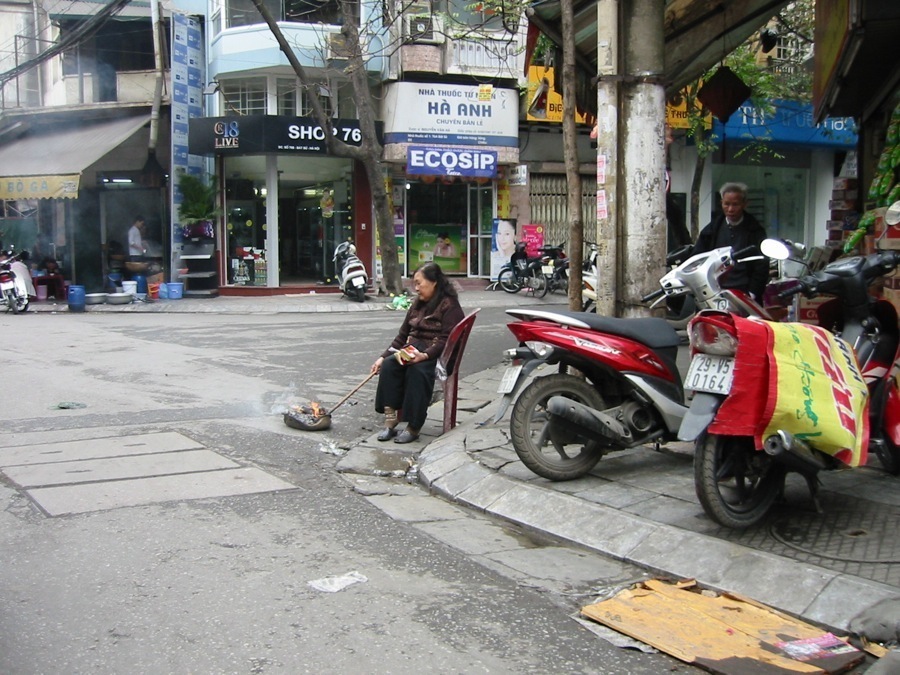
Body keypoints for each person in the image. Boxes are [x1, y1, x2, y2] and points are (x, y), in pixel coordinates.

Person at [370, 262, 465, 444]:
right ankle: (391, 420)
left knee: (417, 370)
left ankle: (414, 425)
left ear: (434, 282)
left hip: (438, 355)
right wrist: (382, 357)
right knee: (390, 364)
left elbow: (447, 340)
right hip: (413, 350)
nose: (416, 288)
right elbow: (402, 335)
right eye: (415, 283)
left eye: (419, 283)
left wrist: (426, 355)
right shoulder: (417, 304)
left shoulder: (449, 306)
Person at [692, 182, 768, 301]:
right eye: (726, 204)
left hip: (744, 293)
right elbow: (698, 258)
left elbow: (761, 265)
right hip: (715, 292)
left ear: (744, 204)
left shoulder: (755, 231)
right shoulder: (710, 231)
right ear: (721, 202)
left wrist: (752, 293)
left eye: (735, 204)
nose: (731, 209)